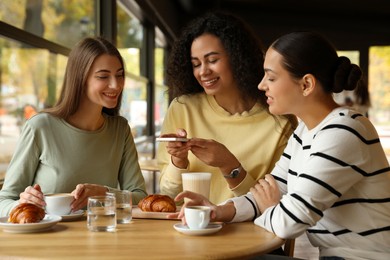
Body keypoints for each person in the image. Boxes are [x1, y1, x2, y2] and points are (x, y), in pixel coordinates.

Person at [170, 31, 390, 259]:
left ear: (306, 84)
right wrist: (218, 211)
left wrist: (270, 209)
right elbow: (269, 191)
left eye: (271, 78)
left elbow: (289, 223)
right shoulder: (305, 131)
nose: (261, 85)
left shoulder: (343, 131)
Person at [157, 12, 297, 204]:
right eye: (196, 64)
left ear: (238, 56)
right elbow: (168, 195)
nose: (203, 71)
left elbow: (275, 203)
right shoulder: (183, 109)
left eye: (212, 60)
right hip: (189, 228)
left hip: (249, 232)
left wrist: (229, 165)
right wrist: (178, 161)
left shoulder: (278, 120)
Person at [0, 37, 147, 217]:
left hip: (102, 238)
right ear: (80, 78)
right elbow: (3, 201)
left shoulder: (120, 129)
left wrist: (105, 193)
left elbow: (141, 197)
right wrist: (22, 204)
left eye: (119, 74)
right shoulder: (41, 126)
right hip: (49, 240)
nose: (116, 85)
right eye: (103, 76)